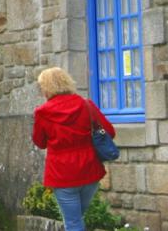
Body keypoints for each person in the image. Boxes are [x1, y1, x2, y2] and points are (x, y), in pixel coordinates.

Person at [33, 67, 116, 231]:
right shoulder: (87, 105)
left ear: (46, 88)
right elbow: (109, 132)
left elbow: (40, 142)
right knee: (76, 220)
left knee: (73, 223)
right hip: (89, 170)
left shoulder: (43, 112)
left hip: (62, 174)